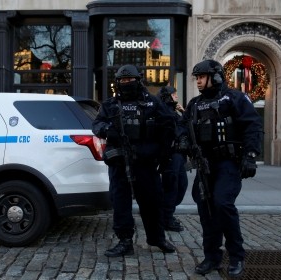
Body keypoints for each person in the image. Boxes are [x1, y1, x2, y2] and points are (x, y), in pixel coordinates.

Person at [183, 59, 263, 277]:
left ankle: (236, 256)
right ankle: (211, 257)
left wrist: (250, 155)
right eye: (197, 77)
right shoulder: (195, 104)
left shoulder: (235, 98)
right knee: (206, 208)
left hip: (228, 163)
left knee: (222, 204)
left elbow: (252, 126)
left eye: (201, 77)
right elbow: (182, 127)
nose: (198, 81)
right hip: (204, 164)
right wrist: (182, 142)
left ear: (215, 76)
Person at [92, 64, 176, 257]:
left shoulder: (152, 103)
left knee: (152, 202)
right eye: (122, 80)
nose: (126, 83)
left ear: (138, 81)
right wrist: (108, 130)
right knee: (120, 203)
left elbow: (169, 125)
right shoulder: (110, 104)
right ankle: (125, 240)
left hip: (146, 163)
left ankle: (157, 238)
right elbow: (97, 124)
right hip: (120, 162)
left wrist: (163, 154)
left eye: (130, 80)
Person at [157, 86, 189, 232]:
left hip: (179, 155)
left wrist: (184, 113)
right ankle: (166, 218)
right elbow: (175, 131)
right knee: (172, 186)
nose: (176, 96)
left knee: (181, 185)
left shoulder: (174, 112)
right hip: (170, 155)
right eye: (173, 94)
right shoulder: (164, 111)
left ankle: (166, 214)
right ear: (167, 96)